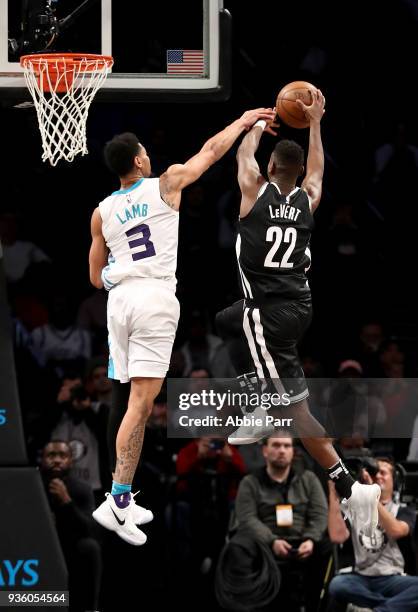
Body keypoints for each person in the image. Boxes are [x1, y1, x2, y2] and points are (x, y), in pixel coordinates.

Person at [89, 107, 276, 545]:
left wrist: (119, 272)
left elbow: (96, 278)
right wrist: (246, 120)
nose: (148, 155)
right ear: (138, 161)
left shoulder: (101, 212)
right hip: (153, 298)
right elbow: (211, 151)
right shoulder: (165, 184)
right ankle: (117, 500)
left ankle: (116, 495)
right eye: (144, 152)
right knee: (141, 402)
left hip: (118, 302)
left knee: (122, 391)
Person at [222, 89, 381, 535]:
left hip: (267, 313)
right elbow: (317, 170)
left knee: (296, 412)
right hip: (299, 306)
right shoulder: (308, 198)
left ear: (271, 169)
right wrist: (315, 122)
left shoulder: (253, 191)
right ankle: (264, 395)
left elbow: (243, 155)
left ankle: (350, 486)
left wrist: (255, 125)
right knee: (224, 320)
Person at [235, 436, 329, 611]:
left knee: (326, 547)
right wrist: (271, 541)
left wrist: (310, 539)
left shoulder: (308, 479)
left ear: (293, 451)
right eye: (276, 445)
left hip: (302, 541)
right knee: (240, 546)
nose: (282, 450)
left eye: (287, 446)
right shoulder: (250, 482)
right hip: (264, 544)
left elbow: (320, 514)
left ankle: (314, 605)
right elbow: (247, 519)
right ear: (265, 451)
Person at [327, 457, 418, 612]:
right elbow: (337, 536)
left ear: (394, 481)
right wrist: (333, 494)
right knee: (337, 585)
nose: (377, 476)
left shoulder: (403, 510)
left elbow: (396, 531)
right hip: (361, 578)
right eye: (373, 472)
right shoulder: (353, 508)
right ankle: (388, 606)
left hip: (393, 577)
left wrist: (369, 494)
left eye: (383, 472)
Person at [40, 441, 102, 612]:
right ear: (42, 460)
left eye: (63, 456)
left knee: (90, 547)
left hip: (69, 544)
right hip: (38, 543)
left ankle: (88, 608)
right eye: (51, 456)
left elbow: (90, 529)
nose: (57, 460)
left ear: (71, 461)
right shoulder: (32, 485)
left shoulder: (81, 488)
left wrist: (66, 500)